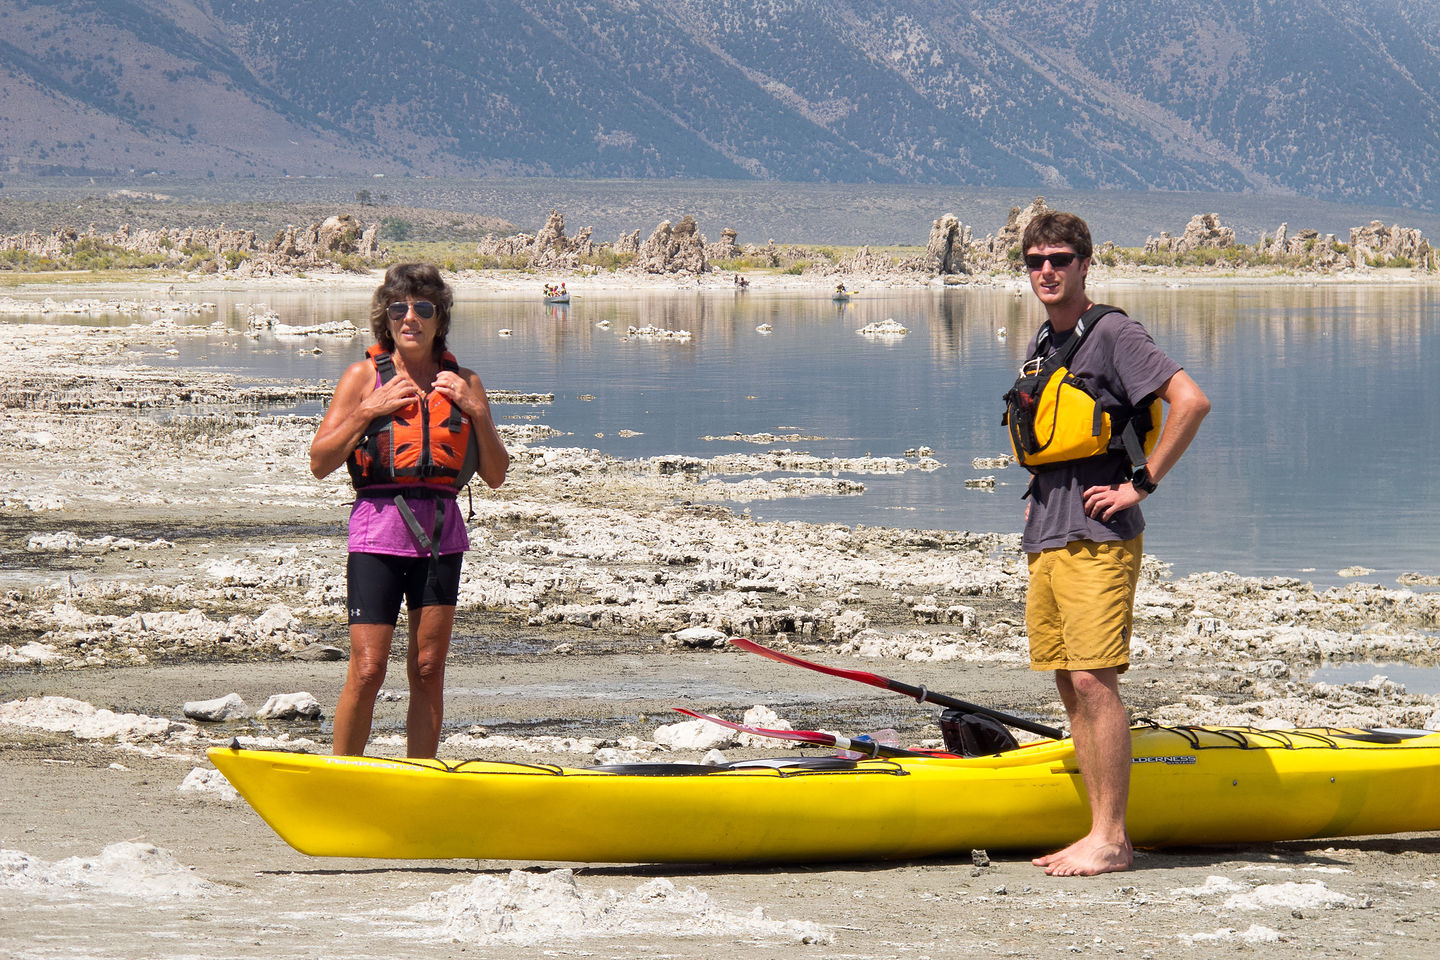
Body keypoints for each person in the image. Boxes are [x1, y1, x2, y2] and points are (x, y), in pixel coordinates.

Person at [1011, 212, 1209, 876]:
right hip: (1049, 530)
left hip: (1098, 533)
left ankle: (1113, 839)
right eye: (1034, 260)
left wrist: (1142, 483)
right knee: (1071, 682)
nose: (1046, 270)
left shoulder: (1115, 333)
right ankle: (1097, 830)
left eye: (1059, 258)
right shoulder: (1045, 341)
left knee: (1096, 680)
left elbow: (1190, 401)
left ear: (1086, 264)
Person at [309, 262, 509, 758]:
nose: (410, 318)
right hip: (377, 535)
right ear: (386, 317)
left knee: (426, 668)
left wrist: (478, 411)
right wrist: (368, 410)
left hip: (440, 539)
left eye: (423, 309)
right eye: (399, 309)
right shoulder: (361, 377)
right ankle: (345, 777)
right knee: (369, 666)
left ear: (440, 318)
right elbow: (319, 461)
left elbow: (496, 473)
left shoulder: (465, 382)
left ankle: (419, 777)